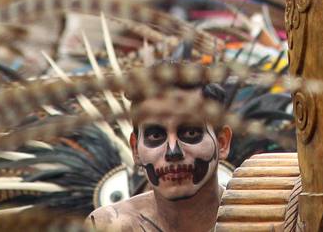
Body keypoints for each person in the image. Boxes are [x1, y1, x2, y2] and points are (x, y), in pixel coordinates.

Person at [86, 80, 233, 232]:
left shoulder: (254, 218)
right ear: (135, 150)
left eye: (190, 133)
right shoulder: (108, 226)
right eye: (155, 135)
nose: (173, 152)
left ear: (222, 142)